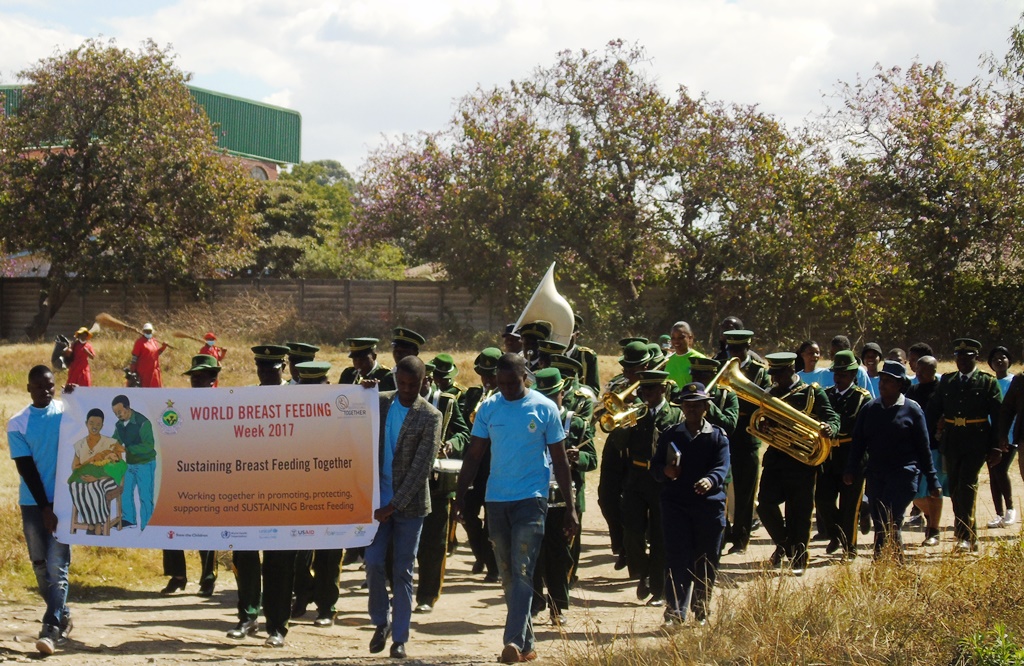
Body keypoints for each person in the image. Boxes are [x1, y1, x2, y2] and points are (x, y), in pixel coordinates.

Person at [454, 353, 578, 665]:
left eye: (513, 382)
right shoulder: (490, 407)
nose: (507, 388)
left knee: (523, 568)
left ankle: (510, 639)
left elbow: (560, 461)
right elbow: (474, 455)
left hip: (531, 500)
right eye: (501, 383)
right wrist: (460, 495)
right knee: (507, 574)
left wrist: (570, 508)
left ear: (526, 377)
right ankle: (526, 645)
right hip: (497, 501)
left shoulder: (544, 408)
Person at [366, 356, 442, 660]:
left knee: (402, 571)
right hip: (375, 503)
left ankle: (399, 638)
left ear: (424, 382)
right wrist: (363, 391)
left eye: (414, 384)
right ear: (396, 379)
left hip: (409, 507)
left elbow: (420, 470)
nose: (407, 389)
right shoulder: (379, 402)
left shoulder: (430, 416)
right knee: (372, 563)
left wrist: (393, 506)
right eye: (403, 383)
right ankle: (380, 621)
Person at [227, 345, 295, 647]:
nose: (266, 373)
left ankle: (277, 626)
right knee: (245, 557)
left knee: (279, 562)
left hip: (284, 493)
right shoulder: (245, 400)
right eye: (261, 368)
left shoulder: (297, 398)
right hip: (249, 492)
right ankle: (247, 616)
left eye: (272, 368)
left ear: (284, 367)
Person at [651, 382, 729, 625]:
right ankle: (675, 610)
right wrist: (666, 471)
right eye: (687, 405)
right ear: (682, 407)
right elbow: (654, 468)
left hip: (709, 507)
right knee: (677, 559)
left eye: (697, 405)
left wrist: (710, 480)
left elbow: (722, 467)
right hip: (676, 506)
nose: (692, 410)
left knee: (706, 559)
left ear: (706, 407)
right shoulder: (670, 435)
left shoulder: (717, 436)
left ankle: (701, 607)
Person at [845, 361, 941, 559]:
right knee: (880, 520)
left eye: (888, 381)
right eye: (881, 380)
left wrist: (932, 480)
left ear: (899, 384)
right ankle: (893, 564)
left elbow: (924, 448)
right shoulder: (870, 409)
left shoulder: (912, 410)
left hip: (904, 473)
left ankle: (882, 561)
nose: (882, 384)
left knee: (891, 517)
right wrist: (851, 469)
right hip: (876, 475)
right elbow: (858, 443)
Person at [8, 365, 72, 655]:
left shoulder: (66, 412)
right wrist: (45, 507)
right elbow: (27, 470)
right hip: (34, 503)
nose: (45, 391)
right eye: (39, 386)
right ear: (28, 388)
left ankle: (51, 627)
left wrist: (79, 398)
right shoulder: (17, 423)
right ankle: (62, 614)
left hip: (66, 501)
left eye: (50, 386)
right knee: (39, 563)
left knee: (57, 566)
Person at [757, 352, 839, 575]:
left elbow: (832, 417)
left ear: (792, 370)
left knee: (800, 511)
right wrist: (764, 426)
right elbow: (762, 421)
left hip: (803, 461)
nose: (776, 379)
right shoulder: (770, 394)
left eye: (780, 373)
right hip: (776, 459)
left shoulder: (812, 392)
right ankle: (784, 542)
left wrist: (830, 428)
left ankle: (799, 558)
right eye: (773, 373)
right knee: (764, 504)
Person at [529, 368, 596, 624]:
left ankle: (558, 606)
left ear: (562, 394)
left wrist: (578, 457)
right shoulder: (531, 420)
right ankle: (535, 602)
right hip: (534, 494)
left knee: (560, 554)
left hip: (564, 498)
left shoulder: (576, 423)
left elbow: (593, 460)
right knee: (533, 551)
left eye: (551, 396)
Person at [925, 338, 1002, 552]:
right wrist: (932, 432)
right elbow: (932, 411)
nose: (962, 362)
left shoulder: (987, 382)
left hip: (976, 442)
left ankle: (964, 536)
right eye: (958, 357)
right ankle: (969, 536)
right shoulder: (948, 382)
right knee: (957, 489)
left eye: (967, 358)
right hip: (952, 441)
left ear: (975, 358)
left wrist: (996, 446)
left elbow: (998, 417)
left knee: (967, 485)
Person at [414, 354, 471, 613]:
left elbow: (463, 432)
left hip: (437, 482)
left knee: (434, 542)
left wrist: (451, 444)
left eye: (423, 380)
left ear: (430, 379)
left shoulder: (447, 402)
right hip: (406, 479)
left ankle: (427, 596)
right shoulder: (399, 399)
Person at [620, 370, 682, 606]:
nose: (647, 395)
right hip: (636, 477)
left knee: (660, 534)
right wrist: (623, 421)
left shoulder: (675, 414)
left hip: (662, 480)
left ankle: (658, 588)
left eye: (652, 390)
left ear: (663, 390)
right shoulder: (636, 412)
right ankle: (642, 571)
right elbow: (618, 443)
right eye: (644, 390)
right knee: (632, 531)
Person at [161, 355, 220, 597]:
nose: (196, 380)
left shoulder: (224, 404)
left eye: (201, 376)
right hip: (181, 470)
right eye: (193, 376)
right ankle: (177, 575)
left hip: (210, 472)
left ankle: (208, 577)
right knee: (170, 523)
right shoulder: (179, 403)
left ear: (213, 379)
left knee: (207, 527)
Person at [597, 340, 650, 570]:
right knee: (606, 498)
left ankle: (634, 549)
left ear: (645, 367)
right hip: (616, 446)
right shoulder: (618, 384)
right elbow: (600, 411)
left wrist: (635, 401)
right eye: (626, 368)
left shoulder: (658, 385)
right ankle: (620, 546)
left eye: (633, 369)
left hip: (638, 449)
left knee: (633, 503)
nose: (628, 373)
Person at [816, 351, 872, 558]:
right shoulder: (827, 394)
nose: (838, 378)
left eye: (843, 374)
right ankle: (835, 534)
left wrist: (858, 462)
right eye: (836, 374)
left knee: (850, 505)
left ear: (853, 375)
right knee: (822, 499)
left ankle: (850, 547)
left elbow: (865, 432)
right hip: (828, 454)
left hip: (851, 455)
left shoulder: (862, 398)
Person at [720, 330, 769, 555]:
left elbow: (766, 401)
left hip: (747, 435)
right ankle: (723, 532)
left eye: (740, 349)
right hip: (724, 434)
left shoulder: (760, 372)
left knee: (745, 490)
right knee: (720, 484)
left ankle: (741, 537)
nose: (736, 354)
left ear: (748, 347)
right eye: (732, 350)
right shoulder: (721, 366)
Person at [459, 348, 502, 581]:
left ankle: (494, 566)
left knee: (491, 517)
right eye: (483, 375)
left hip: (496, 463)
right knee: (467, 512)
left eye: (491, 375)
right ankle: (481, 554)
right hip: (476, 462)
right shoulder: (474, 394)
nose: (486, 380)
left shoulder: (506, 398)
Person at [907, 356, 946, 546]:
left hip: (936, 448)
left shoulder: (943, 390)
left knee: (934, 490)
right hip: (915, 448)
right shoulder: (912, 391)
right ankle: (930, 515)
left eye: (923, 371)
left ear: (933, 370)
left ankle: (934, 531)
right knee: (914, 493)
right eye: (917, 370)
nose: (919, 374)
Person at [68, 408, 126, 535]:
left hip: (107, 480)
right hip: (86, 478)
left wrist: (98, 477)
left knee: (96, 486)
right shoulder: (80, 444)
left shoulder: (110, 443)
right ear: (86, 423)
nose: (94, 427)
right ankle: (91, 521)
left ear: (102, 425)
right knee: (74, 485)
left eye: (98, 424)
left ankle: (97, 523)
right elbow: (75, 467)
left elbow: (118, 467)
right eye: (91, 423)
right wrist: (90, 463)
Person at [111, 393, 156, 533]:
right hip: (130, 463)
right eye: (115, 413)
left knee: (145, 495)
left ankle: (147, 526)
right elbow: (115, 441)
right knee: (124, 490)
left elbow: (149, 446)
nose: (118, 415)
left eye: (120, 412)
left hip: (145, 463)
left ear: (128, 408)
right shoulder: (119, 425)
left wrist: (128, 449)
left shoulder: (143, 423)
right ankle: (129, 519)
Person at [986, 346, 1016, 528]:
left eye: (1003, 357)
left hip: (1010, 435)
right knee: (992, 473)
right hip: (990, 435)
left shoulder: (1015, 382)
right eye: (995, 358)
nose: (999, 360)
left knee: (1000, 470)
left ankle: (1010, 509)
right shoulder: (989, 383)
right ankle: (998, 514)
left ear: (1009, 361)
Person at [665, 321, 706, 388]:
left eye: (680, 338)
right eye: (673, 338)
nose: (676, 341)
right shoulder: (667, 361)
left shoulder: (700, 360)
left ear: (690, 338)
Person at [567, 314, 600, 392]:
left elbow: (594, 389)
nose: (566, 336)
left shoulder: (587, 356)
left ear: (577, 335)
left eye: (570, 333)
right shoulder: (551, 352)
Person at [129, 322, 168, 388]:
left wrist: (163, 347)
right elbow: (135, 356)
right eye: (146, 331)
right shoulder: (139, 342)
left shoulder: (154, 341)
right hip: (143, 372)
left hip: (154, 371)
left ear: (152, 332)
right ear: (143, 331)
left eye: (149, 331)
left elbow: (156, 353)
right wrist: (133, 367)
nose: (148, 332)